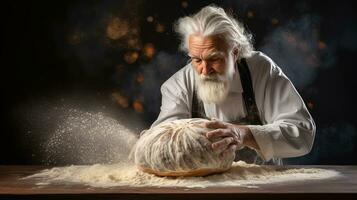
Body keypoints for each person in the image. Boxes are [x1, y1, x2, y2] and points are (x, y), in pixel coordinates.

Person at [148, 5, 316, 165]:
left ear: (235, 52)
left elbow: (302, 133)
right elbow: (159, 142)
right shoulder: (178, 85)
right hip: (202, 188)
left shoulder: (261, 70)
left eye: (214, 59)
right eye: (197, 60)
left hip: (264, 184)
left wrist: (244, 134)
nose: (205, 70)